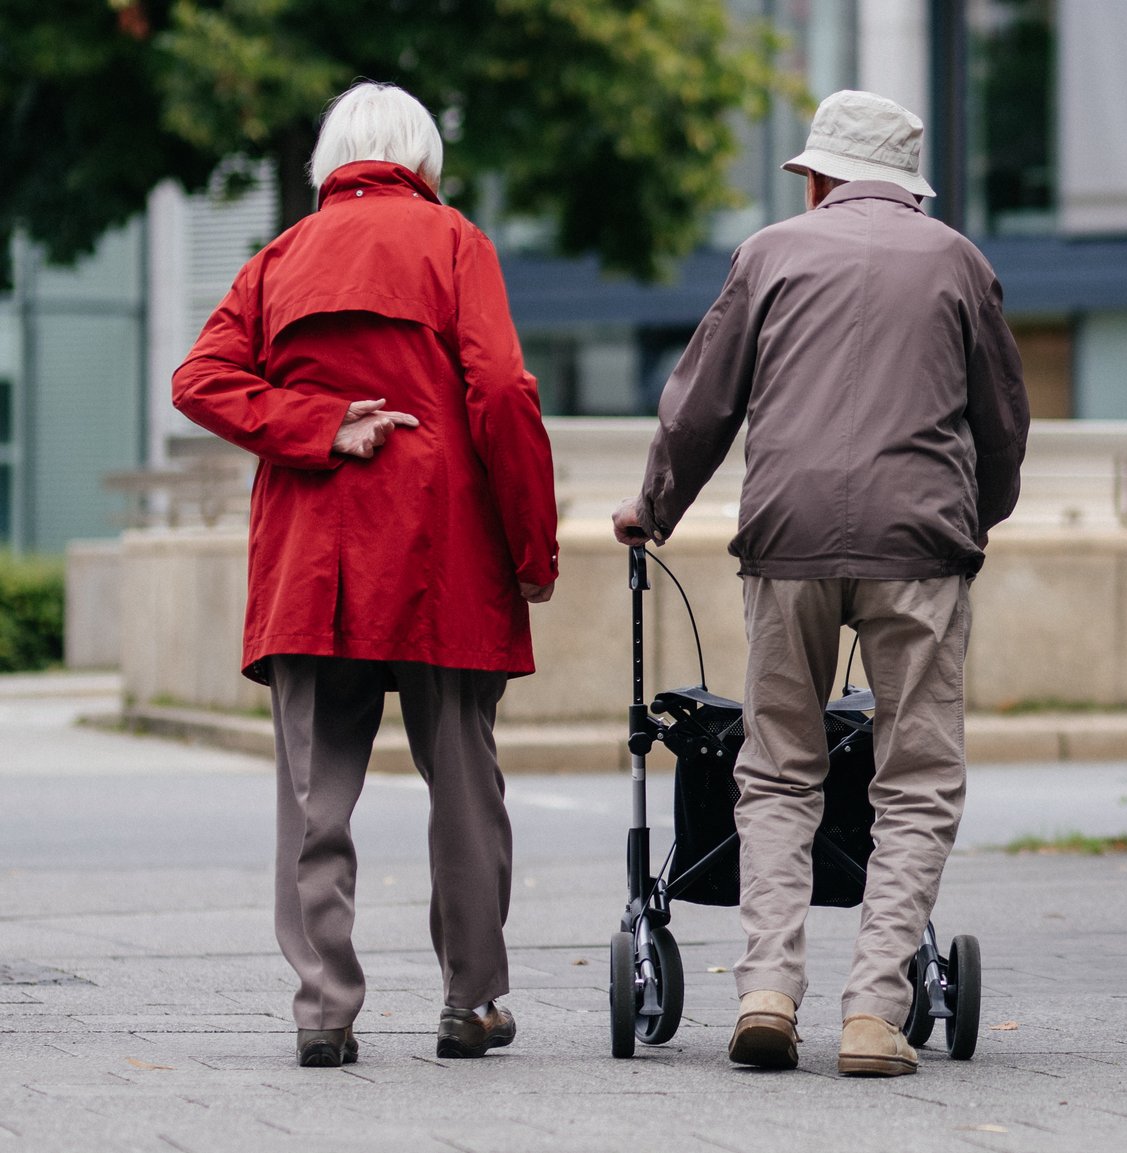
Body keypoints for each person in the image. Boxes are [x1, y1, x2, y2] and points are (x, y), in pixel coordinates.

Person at [613, 89, 1029, 1077]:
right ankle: (875, 1012)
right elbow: (1001, 419)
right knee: (915, 778)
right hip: (917, 541)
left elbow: (699, 404)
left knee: (777, 768)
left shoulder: (768, 253)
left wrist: (653, 509)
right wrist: (977, 516)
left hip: (787, 534)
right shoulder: (959, 262)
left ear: (819, 177)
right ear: (909, 186)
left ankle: (765, 988)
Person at [172, 82, 558, 1068]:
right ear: (424, 163)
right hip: (444, 554)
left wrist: (317, 425)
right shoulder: (453, 243)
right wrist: (531, 546)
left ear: (327, 164)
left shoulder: (277, 260)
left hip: (312, 556)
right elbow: (505, 390)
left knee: (314, 794)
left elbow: (201, 381)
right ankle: (470, 1002)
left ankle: (324, 1010)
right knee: (464, 785)